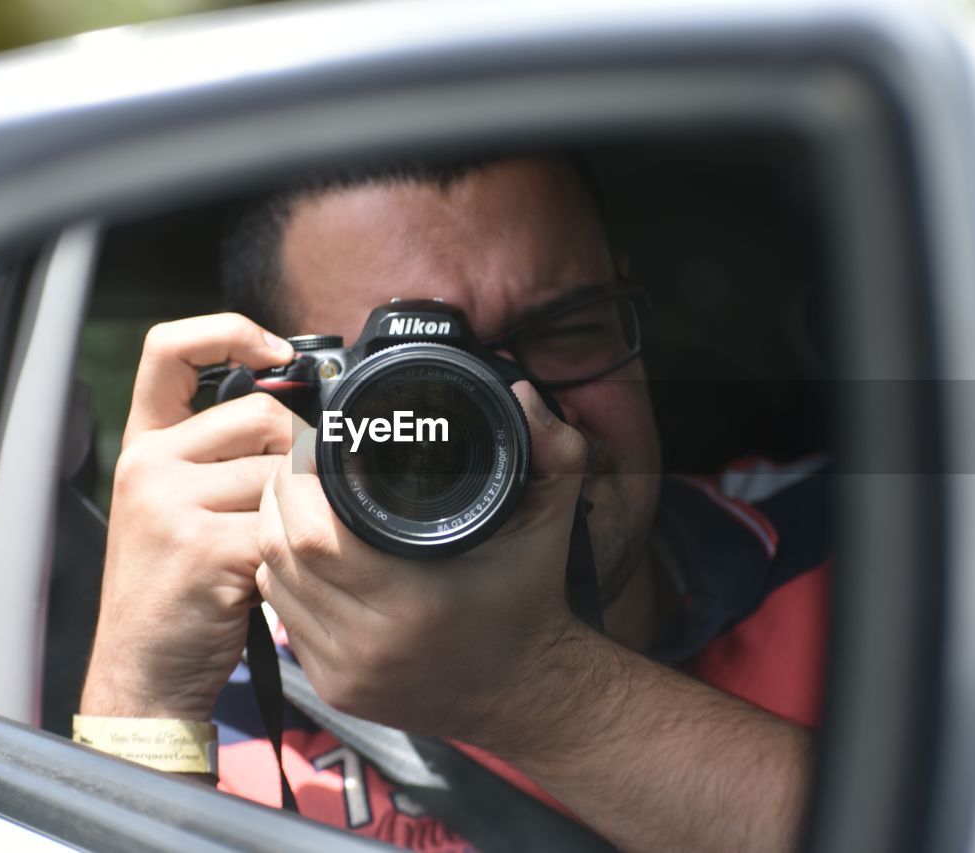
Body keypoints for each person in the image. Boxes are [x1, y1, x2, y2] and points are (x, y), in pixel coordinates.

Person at [78, 154, 829, 852]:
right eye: (411, 375)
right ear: (285, 405)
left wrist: (537, 690)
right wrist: (143, 703)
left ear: (628, 313)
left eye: (567, 330)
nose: (523, 417)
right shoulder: (234, 705)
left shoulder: (867, 558)